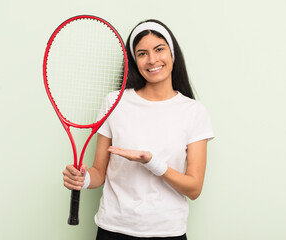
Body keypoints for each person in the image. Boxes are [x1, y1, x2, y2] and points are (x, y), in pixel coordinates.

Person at [62, 19, 214, 240]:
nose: (152, 60)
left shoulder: (194, 111)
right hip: (113, 229)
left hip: (168, 231)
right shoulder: (114, 102)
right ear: (134, 60)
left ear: (172, 53)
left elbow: (194, 188)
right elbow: (98, 172)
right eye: (142, 53)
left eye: (159, 49)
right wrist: (83, 180)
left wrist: (152, 163)